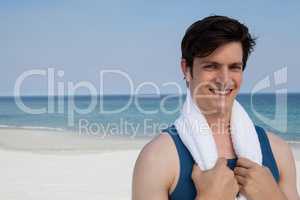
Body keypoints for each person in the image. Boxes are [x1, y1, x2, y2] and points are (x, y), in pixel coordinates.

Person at [132, 15, 300, 200]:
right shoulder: (157, 158)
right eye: (211, 66)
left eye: (235, 67)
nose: (224, 79)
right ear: (186, 69)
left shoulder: (278, 151)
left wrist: (272, 196)